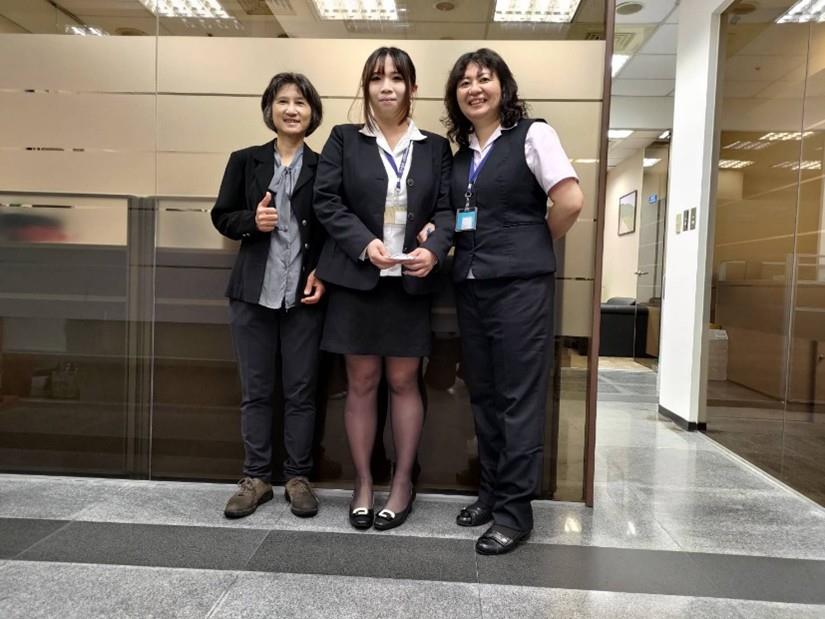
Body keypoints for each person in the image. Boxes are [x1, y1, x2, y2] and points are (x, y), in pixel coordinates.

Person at [442, 48, 584, 554]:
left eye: (484, 78)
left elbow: (570, 200)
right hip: (471, 284)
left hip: (520, 287)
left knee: (518, 399)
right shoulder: (461, 156)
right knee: (483, 394)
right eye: (464, 82)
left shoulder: (533, 135)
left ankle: (515, 513)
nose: (474, 88)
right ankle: (491, 494)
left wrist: (531, 242)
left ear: (504, 87)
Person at [313, 47, 453, 531]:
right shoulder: (344, 139)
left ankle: (403, 482)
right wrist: (363, 242)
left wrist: (435, 249)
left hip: (409, 281)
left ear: (413, 87)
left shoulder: (434, 147)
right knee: (362, 383)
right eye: (376, 78)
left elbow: (448, 210)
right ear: (366, 87)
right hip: (359, 280)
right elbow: (326, 201)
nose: (386, 87)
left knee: (403, 382)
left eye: (396, 78)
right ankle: (363, 482)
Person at [211, 73, 326, 520]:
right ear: (269, 110)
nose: (291, 109)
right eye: (282, 101)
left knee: (301, 392)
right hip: (252, 295)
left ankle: (298, 477)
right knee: (256, 391)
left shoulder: (325, 166)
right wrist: (250, 222)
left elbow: (334, 227)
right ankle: (256, 478)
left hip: (304, 297)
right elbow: (222, 215)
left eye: (301, 102)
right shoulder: (245, 160)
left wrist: (323, 272)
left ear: (312, 112)